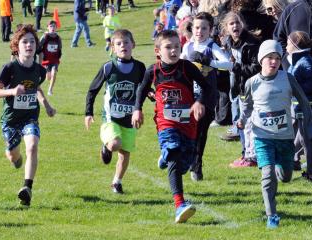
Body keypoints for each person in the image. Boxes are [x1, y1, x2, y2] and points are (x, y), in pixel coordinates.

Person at [132, 30, 213, 223]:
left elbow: (207, 87)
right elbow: (142, 89)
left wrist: (200, 102)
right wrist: (137, 110)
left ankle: (166, 156)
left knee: (184, 165)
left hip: (188, 124)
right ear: (158, 51)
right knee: (174, 152)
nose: (174, 50)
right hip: (166, 122)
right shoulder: (153, 70)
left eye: (177, 46)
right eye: (169, 47)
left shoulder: (187, 68)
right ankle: (179, 204)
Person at [237, 40, 312, 228]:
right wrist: (241, 119)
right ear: (261, 60)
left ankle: (283, 169)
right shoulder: (252, 83)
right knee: (267, 174)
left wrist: (307, 121)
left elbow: (303, 101)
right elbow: (246, 106)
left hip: (285, 137)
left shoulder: (288, 78)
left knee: (286, 176)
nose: (273, 62)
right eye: (270, 58)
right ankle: (272, 215)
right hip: (262, 136)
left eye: (277, 58)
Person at [0, 24, 56, 206]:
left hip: (30, 117)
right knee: (13, 156)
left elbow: (36, 88)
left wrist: (46, 105)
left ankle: (27, 188)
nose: (29, 45)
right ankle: (15, 157)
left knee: (33, 146)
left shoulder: (40, 71)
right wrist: (12, 91)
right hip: (11, 120)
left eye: (32, 42)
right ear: (17, 46)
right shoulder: (9, 68)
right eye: (24, 42)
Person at [85, 29, 146, 194]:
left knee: (125, 153)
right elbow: (92, 90)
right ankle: (106, 146)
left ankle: (116, 182)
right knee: (115, 144)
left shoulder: (140, 67)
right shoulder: (108, 67)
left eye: (126, 42)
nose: (123, 46)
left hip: (130, 118)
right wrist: (88, 113)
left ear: (133, 44)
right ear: (112, 47)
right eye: (118, 43)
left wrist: (152, 96)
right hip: (110, 118)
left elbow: (144, 88)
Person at [180, 12, 232, 181]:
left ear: (210, 30)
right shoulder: (187, 47)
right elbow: (179, 65)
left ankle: (196, 166)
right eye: (196, 27)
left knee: (201, 132)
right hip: (189, 96)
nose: (199, 31)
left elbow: (229, 64)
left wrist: (209, 62)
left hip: (207, 96)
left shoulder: (212, 46)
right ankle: (180, 156)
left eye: (204, 28)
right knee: (186, 131)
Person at [220, 12, 261, 168]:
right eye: (231, 23)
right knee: (239, 121)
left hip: (251, 87)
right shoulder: (228, 42)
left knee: (248, 122)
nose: (235, 26)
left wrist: (235, 67)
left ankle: (251, 157)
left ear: (242, 23)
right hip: (237, 87)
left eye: (237, 22)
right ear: (226, 27)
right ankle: (246, 153)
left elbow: (256, 68)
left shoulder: (251, 43)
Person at [287, 31, 312, 180]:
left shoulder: (305, 62)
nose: (286, 46)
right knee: (299, 138)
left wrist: (296, 92)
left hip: (308, 109)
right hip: (300, 108)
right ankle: (293, 162)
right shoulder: (297, 60)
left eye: (288, 43)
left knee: (307, 140)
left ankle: (311, 173)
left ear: (295, 45)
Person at [38, 20, 62, 96]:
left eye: (54, 26)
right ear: (47, 27)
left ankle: (50, 90)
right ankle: (47, 76)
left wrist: (58, 55)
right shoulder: (45, 36)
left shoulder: (58, 38)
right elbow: (39, 46)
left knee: (54, 72)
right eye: (51, 26)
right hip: (46, 60)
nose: (52, 28)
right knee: (48, 77)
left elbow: (60, 48)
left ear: (56, 28)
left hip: (54, 59)